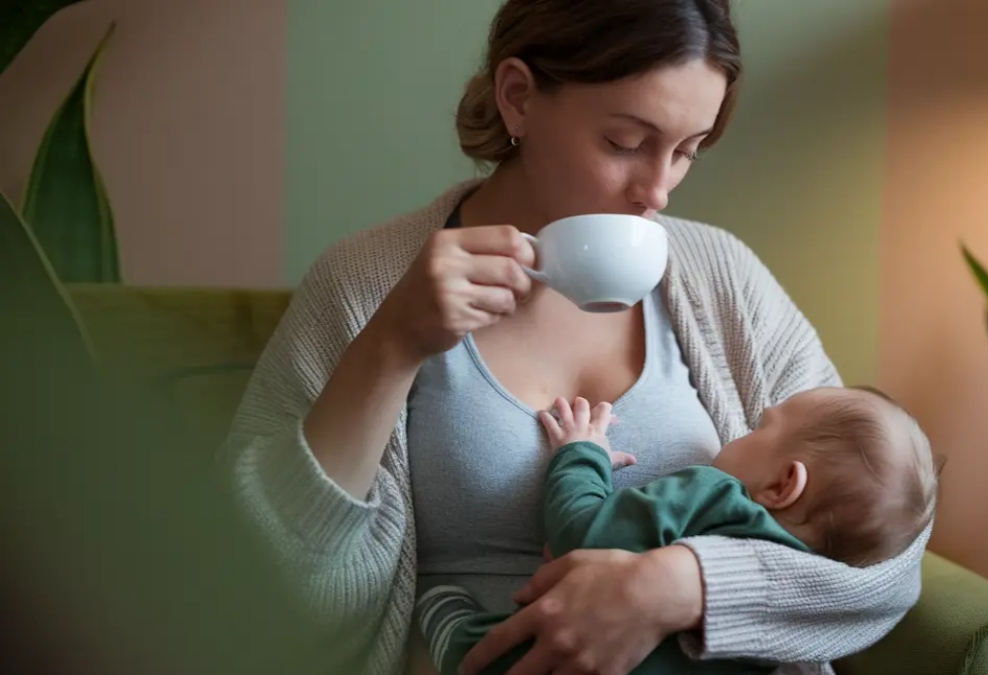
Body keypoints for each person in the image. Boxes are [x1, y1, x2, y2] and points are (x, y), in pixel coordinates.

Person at [218, 2, 932, 675]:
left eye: (687, 152)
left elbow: (885, 552)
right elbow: (265, 592)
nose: (657, 191)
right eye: (627, 142)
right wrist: (392, 344)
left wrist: (679, 587)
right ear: (519, 97)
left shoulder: (724, 278)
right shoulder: (368, 282)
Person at [415, 387, 940, 675]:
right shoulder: (787, 615)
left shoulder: (711, 493)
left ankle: (448, 626)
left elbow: (581, 533)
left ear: (782, 484)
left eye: (760, 428)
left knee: (489, 651)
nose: (739, 432)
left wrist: (582, 454)